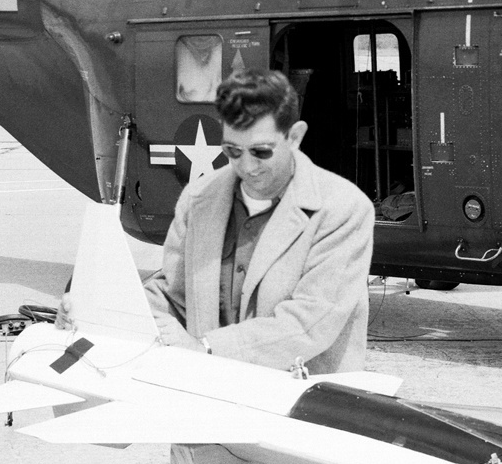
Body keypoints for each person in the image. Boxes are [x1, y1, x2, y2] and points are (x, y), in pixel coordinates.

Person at [143, 68, 375, 374]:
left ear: (295, 137)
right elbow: (173, 294)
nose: (247, 166)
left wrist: (208, 348)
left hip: (303, 398)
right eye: (232, 151)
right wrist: (101, 305)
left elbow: (310, 322)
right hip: (213, 386)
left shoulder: (343, 208)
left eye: (261, 151)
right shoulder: (199, 198)